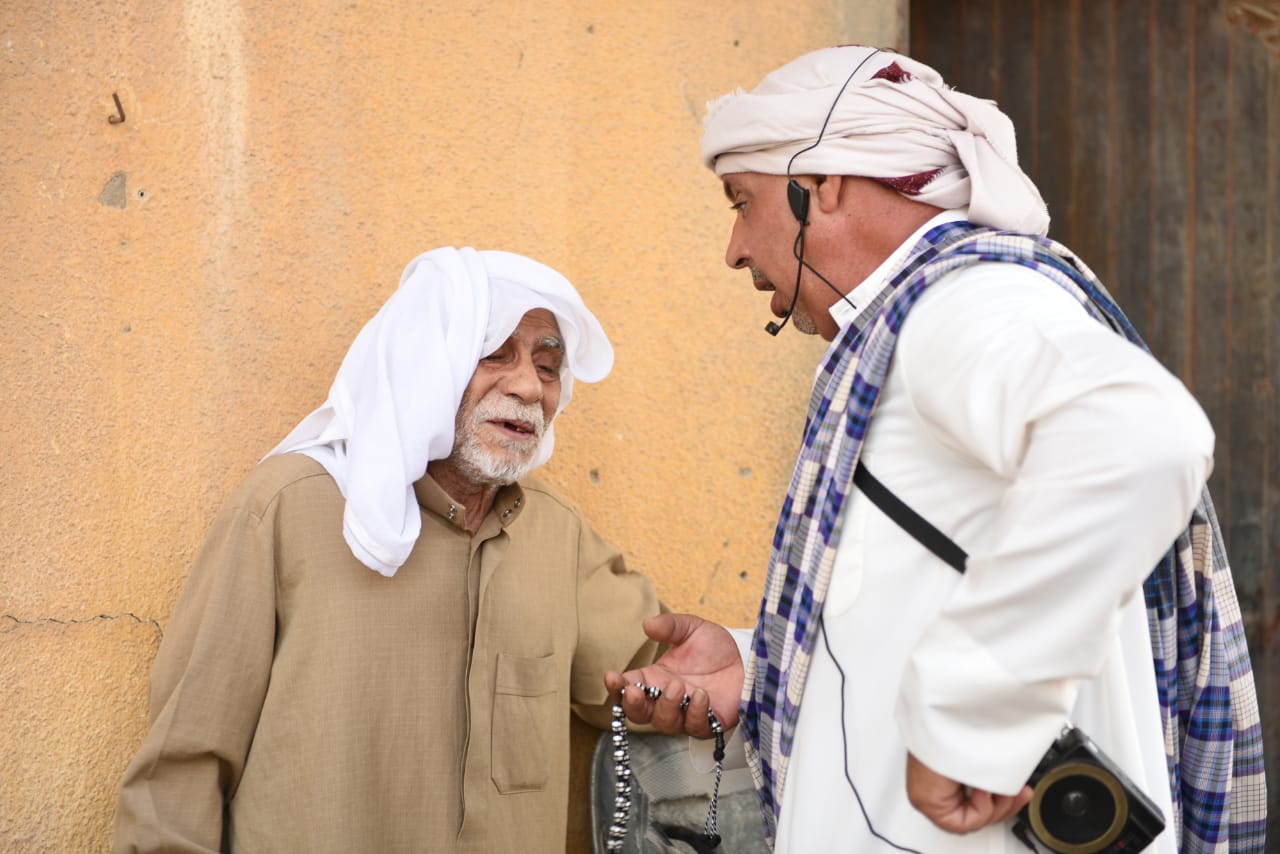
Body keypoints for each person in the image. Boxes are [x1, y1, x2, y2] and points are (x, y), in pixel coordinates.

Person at [606, 46, 1266, 853]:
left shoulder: (964, 302)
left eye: (743, 202)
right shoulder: (907, 333)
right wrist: (762, 661)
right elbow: (920, 593)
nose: (734, 248)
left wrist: (970, 713)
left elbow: (1141, 439)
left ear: (823, 183)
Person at [114, 246, 662, 853]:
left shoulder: (557, 535)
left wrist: (730, 668)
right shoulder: (287, 509)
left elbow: (663, 677)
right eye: (495, 354)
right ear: (428, 359)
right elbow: (179, 774)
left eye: (548, 366)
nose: (530, 386)